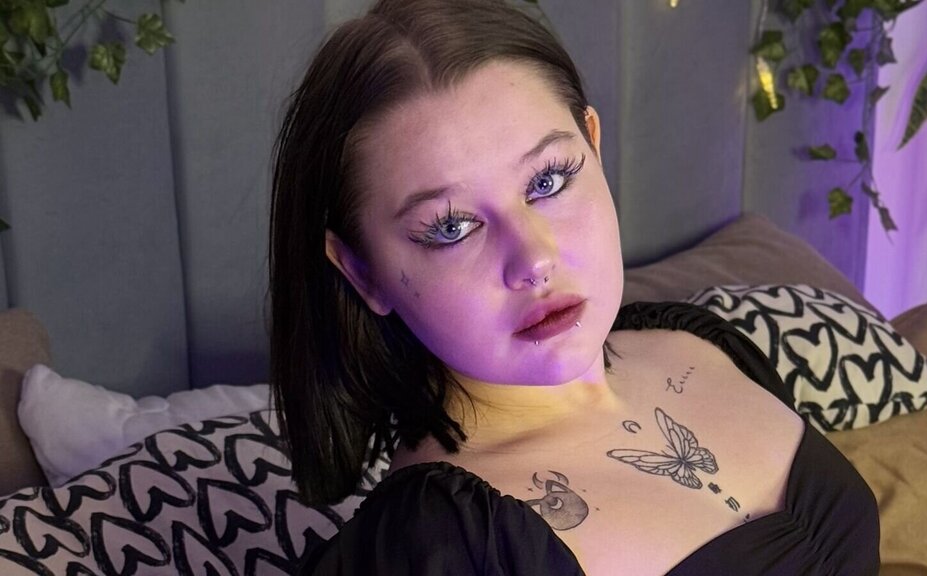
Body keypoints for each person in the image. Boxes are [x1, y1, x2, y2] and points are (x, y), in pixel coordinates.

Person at [267, 0, 880, 573]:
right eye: (452, 227)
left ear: (592, 143)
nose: (534, 259)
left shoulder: (701, 340)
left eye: (548, 181)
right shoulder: (445, 541)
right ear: (362, 271)